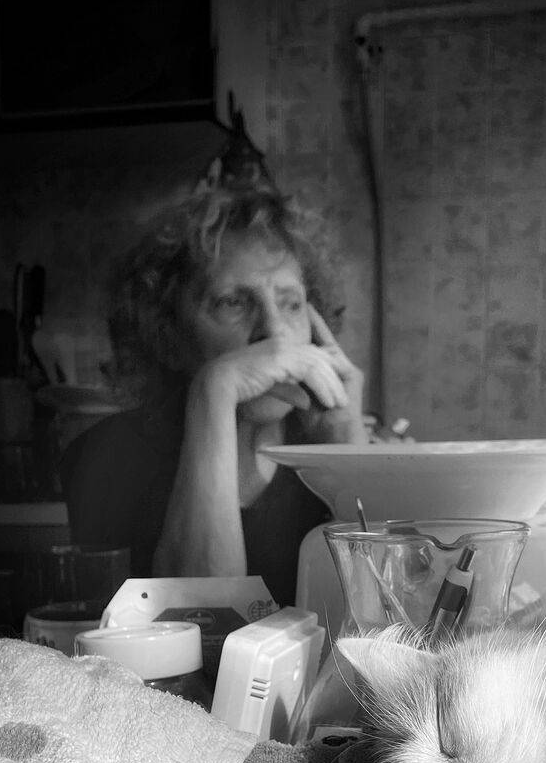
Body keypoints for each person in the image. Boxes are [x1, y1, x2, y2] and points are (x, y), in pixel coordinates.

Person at [60, 127, 365, 607]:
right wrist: (214, 393)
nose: (275, 334)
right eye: (232, 303)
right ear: (168, 336)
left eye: (291, 304)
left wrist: (350, 451)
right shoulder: (104, 459)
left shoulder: (326, 448)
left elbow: (381, 622)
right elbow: (197, 625)